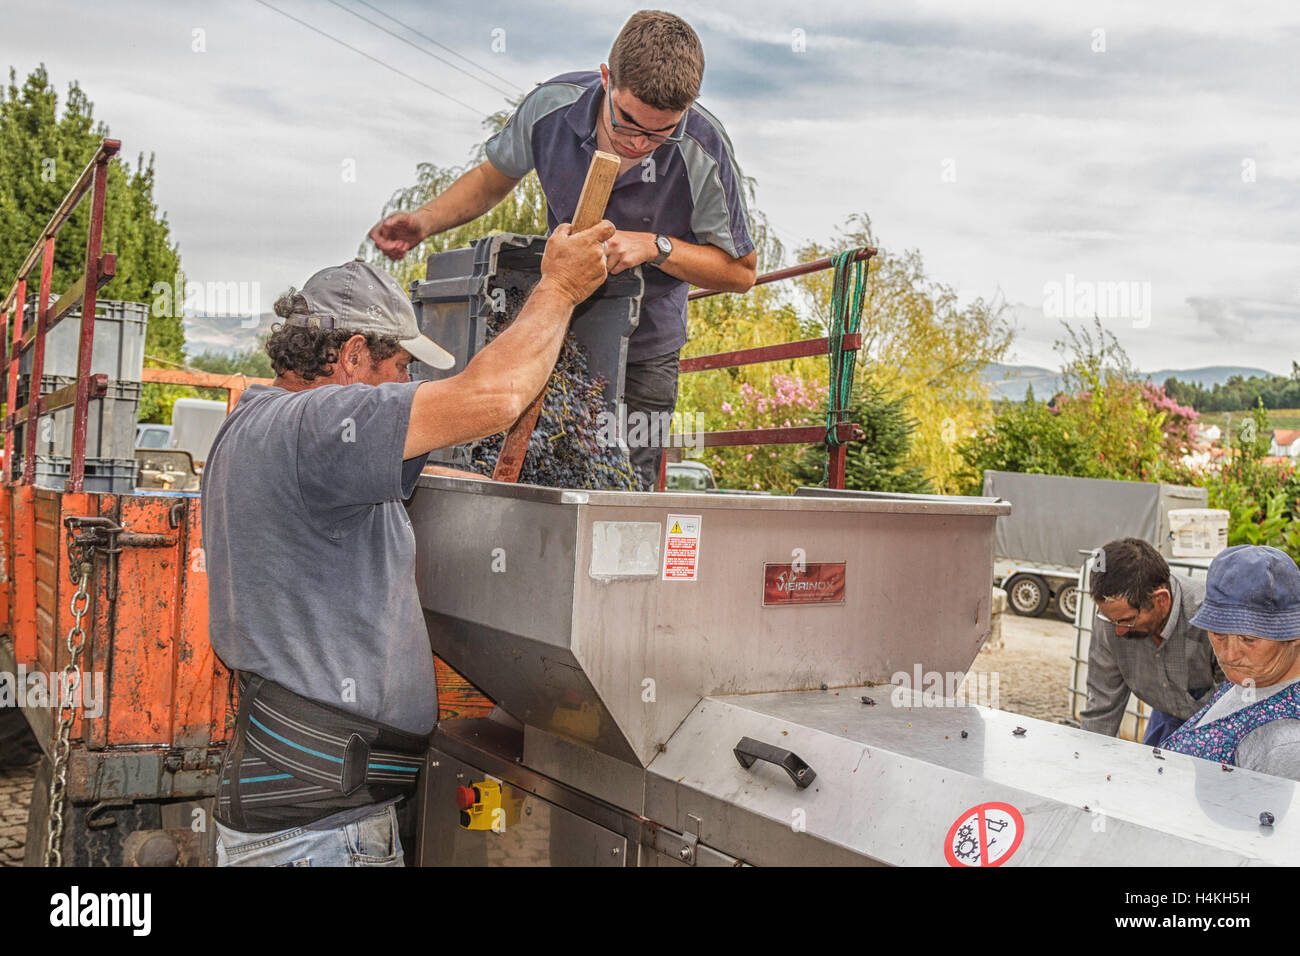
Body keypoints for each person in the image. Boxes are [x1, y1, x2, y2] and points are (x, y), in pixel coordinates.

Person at [202, 220, 614, 866]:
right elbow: (496, 396)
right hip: (322, 840)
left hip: (307, 820)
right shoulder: (320, 426)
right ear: (352, 356)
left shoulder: (258, 426)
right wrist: (558, 287)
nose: (405, 384)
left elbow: (413, 470)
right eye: (400, 368)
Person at [368, 10, 756, 489]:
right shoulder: (551, 107)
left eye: (660, 133)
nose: (638, 144)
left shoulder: (704, 148)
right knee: (539, 474)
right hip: (558, 331)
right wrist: (423, 221)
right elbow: (493, 177)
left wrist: (655, 246)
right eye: (628, 122)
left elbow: (740, 272)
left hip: (646, 347)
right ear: (606, 78)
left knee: (625, 490)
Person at [1164, 545, 1300, 780]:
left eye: (1249, 639)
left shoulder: (1285, 742)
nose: (1229, 655)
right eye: (1219, 634)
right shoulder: (1255, 678)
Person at [1080, 537, 1222, 746]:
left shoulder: (1211, 617)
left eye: (1128, 621)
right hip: (1165, 713)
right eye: (1112, 620)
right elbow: (1101, 707)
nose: (1118, 631)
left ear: (1161, 600)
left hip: (1215, 720)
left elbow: (1232, 707)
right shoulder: (1111, 620)